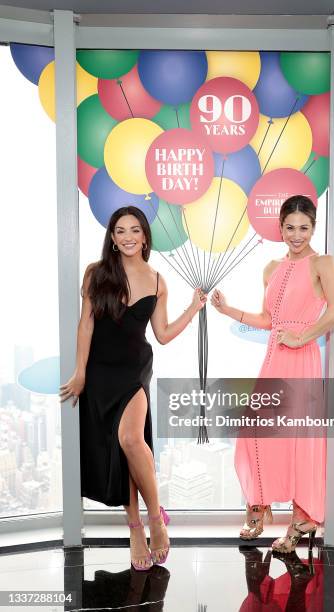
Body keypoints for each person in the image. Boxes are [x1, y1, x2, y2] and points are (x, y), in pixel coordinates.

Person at [59, 205, 206, 570]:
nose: (127, 237)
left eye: (135, 230)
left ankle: (155, 519)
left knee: (129, 439)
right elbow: (86, 326)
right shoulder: (96, 273)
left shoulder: (157, 280)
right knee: (121, 450)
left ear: (144, 236)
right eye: (120, 230)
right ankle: (134, 527)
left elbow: (163, 334)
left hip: (134, 370)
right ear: (112, 237)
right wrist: (80, 372)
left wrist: (193, 309)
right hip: (99, 373)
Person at [210, 194, 334, 553]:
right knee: (255, 432)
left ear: (313, 227)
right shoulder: (271, 268)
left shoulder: (323, 263)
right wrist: (229, 311)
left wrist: (302, 336)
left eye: (304, 228)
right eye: (290, 227)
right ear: (281, 228)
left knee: (296, 441)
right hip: (274, 358)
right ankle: (260, 503)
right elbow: (268, 320)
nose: (297, 235)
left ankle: (300, 521)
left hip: (301, 360)